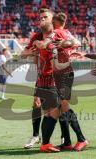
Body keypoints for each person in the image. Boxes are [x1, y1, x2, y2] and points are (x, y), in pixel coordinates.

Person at [34, 12, 88, 151]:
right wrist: (65, 44)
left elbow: (47, 42)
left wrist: (40, 44)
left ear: (55, 21)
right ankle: (67, 142)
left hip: (62, 74)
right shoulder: (66, 32)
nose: (46, 21)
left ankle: (82, 139)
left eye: (47, 19)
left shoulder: (56, 32)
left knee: (63, 108)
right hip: (62, 73)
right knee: (60, 109)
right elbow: (77, 42)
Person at [21, 8, 61, 153]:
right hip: (42, 77)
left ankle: (63, 138)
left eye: (45, 17)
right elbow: (23, 53)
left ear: (53, 20)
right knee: (38, 105)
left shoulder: (58, 33)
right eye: (40, 18)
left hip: (59, 77)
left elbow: (73, 43)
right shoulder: (36, 36)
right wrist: (32, 51)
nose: (42, 20)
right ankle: (37, 136)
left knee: (59, 108)